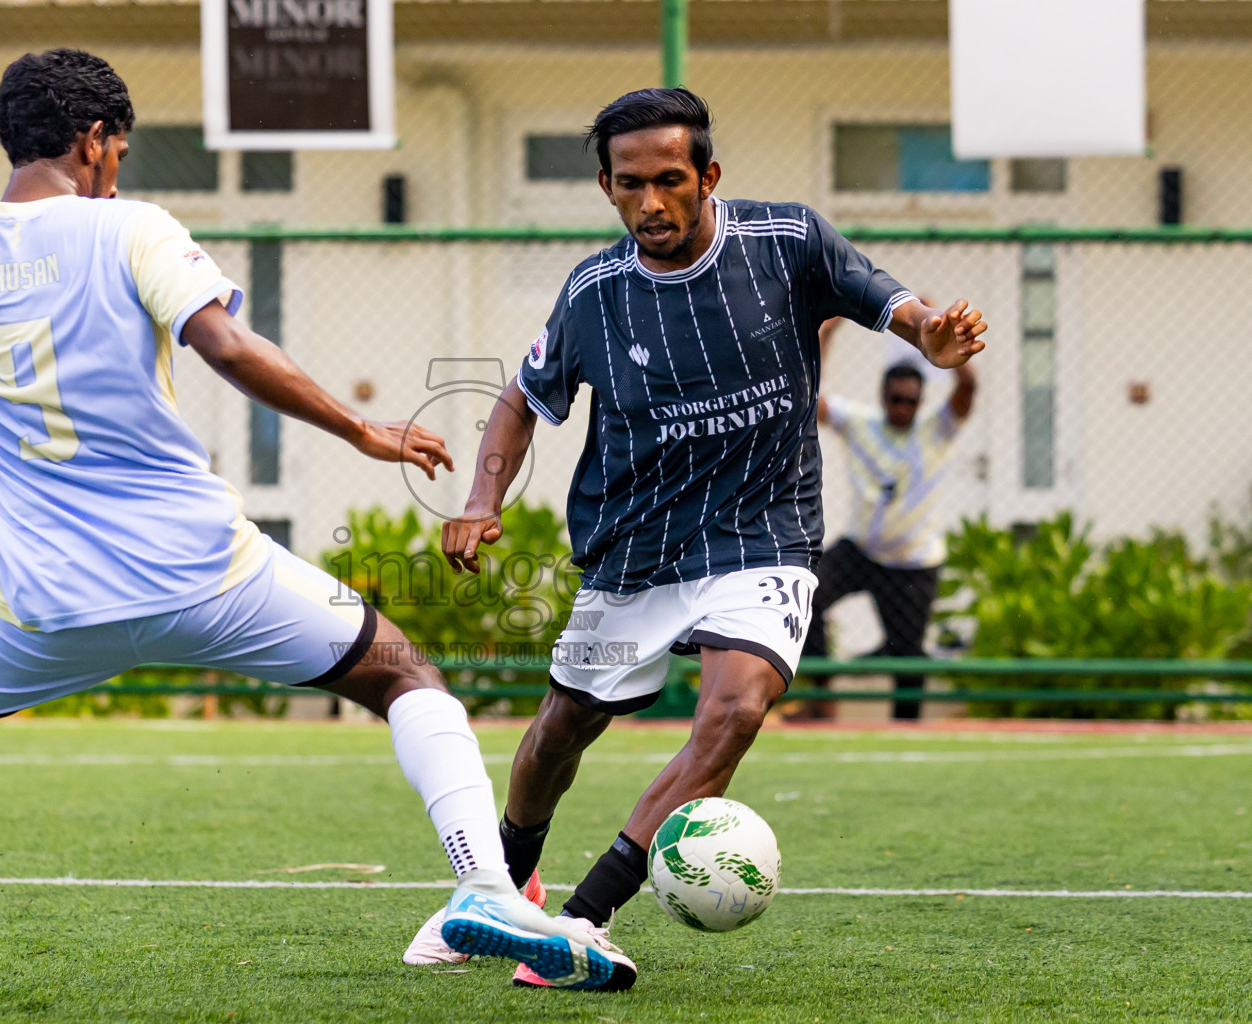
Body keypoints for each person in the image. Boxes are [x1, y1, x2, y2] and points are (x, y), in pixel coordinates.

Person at [0, 49, 614, 1010]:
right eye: (117, 149)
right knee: (402, 673)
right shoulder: (130, 228)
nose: (117, 169)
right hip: (207, 574)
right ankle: (486, 886)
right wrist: (358, 427)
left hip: (41, 605)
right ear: (91, 142)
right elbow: (227, 344)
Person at [401, 87, 988, 990]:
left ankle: (581, 922)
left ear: (708, 175)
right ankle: (494, 886)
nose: (651, 202)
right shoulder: (595, 293)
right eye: (630, 184)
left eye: (670, 180)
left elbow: (889, 300)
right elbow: (523, 398)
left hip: (764, 534)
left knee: (735, 711)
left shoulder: (789, 242)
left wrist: (930, 337)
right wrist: (481, 499)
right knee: (562, 729)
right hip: (634, 546)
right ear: (606, 186)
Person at [804, 318, 977, 720]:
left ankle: (906, 727)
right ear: (883, 396)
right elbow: (811, 398)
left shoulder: (937, 431)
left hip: (913, 564)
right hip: (862, 551)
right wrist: (825, 333)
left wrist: (954, 351)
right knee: (807, 596)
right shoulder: (861, 423)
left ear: (920, 401)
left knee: (908, 658)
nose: (903, 407)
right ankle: (821, 697)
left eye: (911, 401)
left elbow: (968, 390)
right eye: (896, 399)